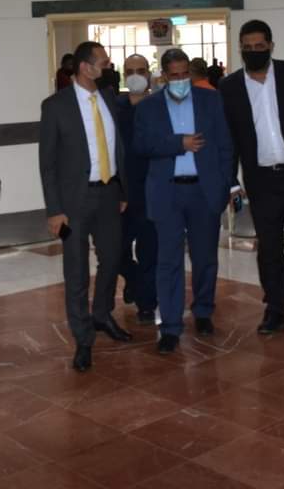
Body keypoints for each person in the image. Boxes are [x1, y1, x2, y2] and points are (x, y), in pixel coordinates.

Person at [218, 20, 284, 335]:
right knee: (269, 248)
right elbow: (228, 139)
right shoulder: (229, 87)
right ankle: (275, 308)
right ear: (240, 49)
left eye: (259, 46)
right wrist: (231, 181)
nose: (253, 51)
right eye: (247, 48)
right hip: (261, 180)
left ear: (271, 46)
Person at [134, 47, 234, 354]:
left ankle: (203, 311)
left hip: (203, 191)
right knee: (168, 261)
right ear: (164, 76)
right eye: (174, 75)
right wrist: (179, 144)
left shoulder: (211, 100)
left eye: (184, 74)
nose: (180, 80)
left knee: (205, 258)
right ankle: (170, 326)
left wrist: (226, 185)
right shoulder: (148, 107)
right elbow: (141, 145)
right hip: (168, 193)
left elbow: (225, 145)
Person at [39, 41, 130, 372]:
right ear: (84, 67)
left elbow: (117, 146)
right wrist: (54, 210)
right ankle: (83, 337)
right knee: (75, 269)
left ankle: (102, 314)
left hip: (109, 195)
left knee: (113, 258)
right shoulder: (55, 106)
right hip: (72, 204)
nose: (108, 67)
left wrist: (122, 190)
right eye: (103, 63)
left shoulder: (108, 98)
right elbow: (47, 163)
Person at [116, 53, 158, 323]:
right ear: (123, 75)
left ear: (149, 75)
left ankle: (147, 303)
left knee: (149, 251)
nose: (135, 76)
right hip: (119, 193)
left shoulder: (159, 107)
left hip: (151, 191)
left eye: (140, 71)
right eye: (130, 71)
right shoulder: (113, 107)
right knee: (115, 251)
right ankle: (132, 278)